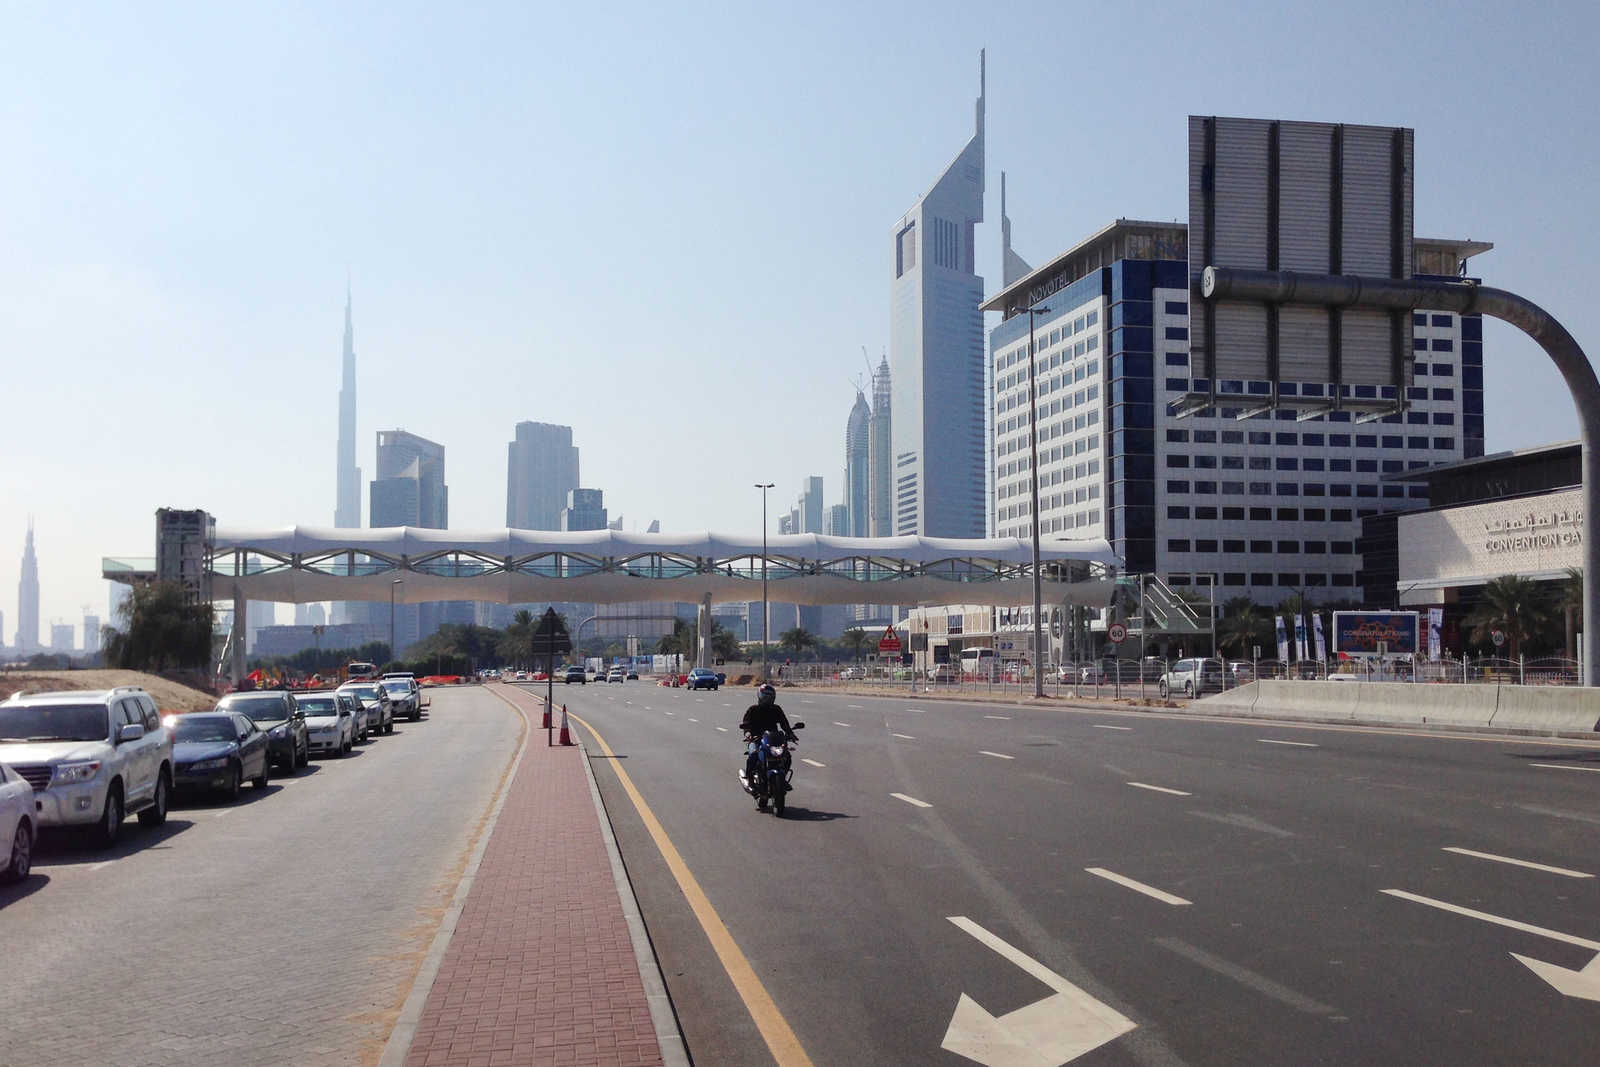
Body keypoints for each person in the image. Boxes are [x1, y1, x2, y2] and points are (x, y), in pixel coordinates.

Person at [739, 682, 797, 788]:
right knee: (753, 755)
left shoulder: (776, 709)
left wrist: (790, 733)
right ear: (760, 696)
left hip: (773, 740)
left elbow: (784, 723)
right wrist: (747, 733)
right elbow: (746, 723)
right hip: (757, 739)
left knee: (786, 756)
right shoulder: (753, 709)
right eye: (765, 696)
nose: (767, 699)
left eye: (770, 697)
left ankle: (782, 779)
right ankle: (749, 779)